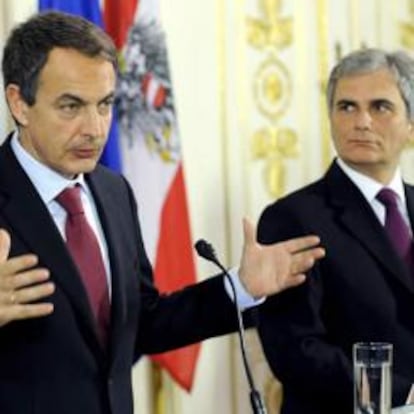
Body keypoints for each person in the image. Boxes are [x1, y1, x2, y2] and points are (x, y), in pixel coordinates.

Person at [0, 11, 325, 414]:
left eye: (104, 105)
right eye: (71, 107)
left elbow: (144, 323)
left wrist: (238, 287)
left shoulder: (112, 190)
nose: (96, 129)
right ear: (19, 103)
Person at [257, 47, 414, 414]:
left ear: (410, 124)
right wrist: (404, 395)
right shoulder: (291, 218)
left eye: (380, 107)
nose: (361, 121)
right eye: (346, 107)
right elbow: (295, 349)